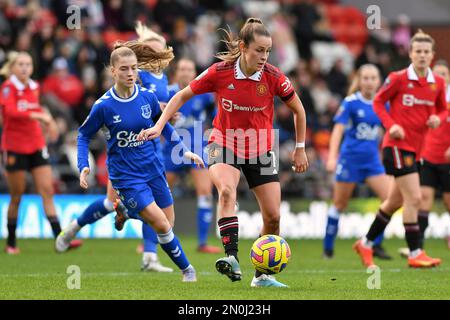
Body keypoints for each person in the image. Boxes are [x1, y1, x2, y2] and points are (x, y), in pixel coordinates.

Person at [138, 18, 309, 287]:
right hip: (223, 143)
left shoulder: (274, 77)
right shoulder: (220, 72)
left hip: (261, 149)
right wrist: (159, 125)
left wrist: (300, 148)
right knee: (227, 192)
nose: (264, 56)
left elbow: (299, 110)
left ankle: (262, 277)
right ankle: (231, 258)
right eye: (259, 50)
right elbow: (182, 95)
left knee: (273, 217)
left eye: (268, 51)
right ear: (243, 47)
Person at [57, 23, 174, 273]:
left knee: (156, 207)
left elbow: (160, 112)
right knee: (112, 203)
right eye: (151, 50)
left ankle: (150, 257)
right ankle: (75, 226)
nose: (155, 56)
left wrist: (167, 115)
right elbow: (121, 100)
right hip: (125, 155)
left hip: (150, 150)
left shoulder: (163, 79)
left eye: (159, 50)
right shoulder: (134, 75)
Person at [75, 42, 197, 281]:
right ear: (113, 71)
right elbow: (83, 135)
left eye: (133, 68)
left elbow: (165, 126)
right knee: (161, 224)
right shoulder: (104, 106)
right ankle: (188, 271)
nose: (130, 74)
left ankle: (126, 211)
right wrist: (83, 165)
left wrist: (184, 151)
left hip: (153, 168)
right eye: (124, 69)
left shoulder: (147, 97)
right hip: (126, 176)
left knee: (167, 223)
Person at [353, 30, 447, 268]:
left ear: (432, 55)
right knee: (414, 198)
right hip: (396, 147)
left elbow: (444, 109)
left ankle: (365, 243)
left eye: (426, 52)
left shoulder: (438, 83)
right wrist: (391, 124)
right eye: (418, 51)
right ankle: (415, 252)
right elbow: (378, 101)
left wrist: (438, 117)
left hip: (416, 150)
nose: (422, 55)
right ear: (410, 53)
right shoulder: (398, 78)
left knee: (393, 202)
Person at [0, 51, 82, 254]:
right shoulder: (8, 88)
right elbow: (11, 112)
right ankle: (11, 243)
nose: (25, 68)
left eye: (28, 64)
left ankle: (60, 240)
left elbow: (33, 112)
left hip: (36, 144)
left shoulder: (34, 87)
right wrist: (41, 116)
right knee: (17, 195)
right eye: (20, 64)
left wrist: (48, 122)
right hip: (14, 147)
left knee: (47, 191)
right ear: (13, 68)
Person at [324, 64, 392, 260]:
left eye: (373, 78)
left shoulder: (382, 104)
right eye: (366, 78)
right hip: (350, 160)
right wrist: (332, 157)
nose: (369, 82)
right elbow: (338, 130)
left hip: (372, 162)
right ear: (359, 81)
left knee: (390, 200)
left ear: (378, 81)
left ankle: (374, 244)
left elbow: (390, 129)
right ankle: (328, 249)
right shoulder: (351, 102)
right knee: (339, 204)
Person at [164, 57, 221, 254]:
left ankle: (203, 243)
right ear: (176, 72)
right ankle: (150, 242)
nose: (186, 72)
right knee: (159, 194)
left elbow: (215, 114)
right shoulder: (167, 93)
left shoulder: (204, 95)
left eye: (190, 69)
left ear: (195, 72)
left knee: (205, 193)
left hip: (197, 148)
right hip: (171, 150)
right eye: (183, 69)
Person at [399, 59, 450, 257]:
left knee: (448, 202)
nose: (440, 77)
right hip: (427, 156)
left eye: (444, 74)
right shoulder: (424, 96)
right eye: (437, 73)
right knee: (423, 200)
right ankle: (417, 248)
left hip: (447, 160)